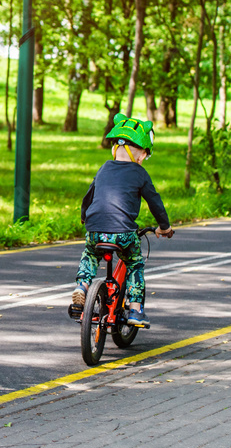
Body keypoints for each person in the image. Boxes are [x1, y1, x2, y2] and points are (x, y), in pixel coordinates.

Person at [71, 114, 173, 327]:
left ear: (114, 149)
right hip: (123, 233)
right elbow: (155, 203)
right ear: (142, 155)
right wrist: (164, 227)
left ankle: (82, 285)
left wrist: (84, 217)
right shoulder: (140, 173)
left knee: (90, 254)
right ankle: (135, 310)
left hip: (95, 229)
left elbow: (88, 196)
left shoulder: (104, 169)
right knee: (135, 263)